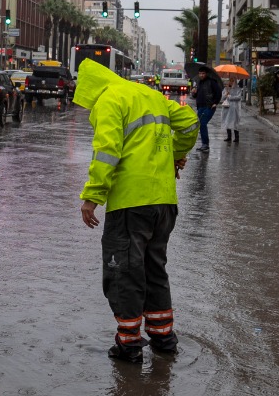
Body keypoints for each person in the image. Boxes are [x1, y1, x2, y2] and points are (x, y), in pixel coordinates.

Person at [75, 59, 199, 364]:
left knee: (124, 272)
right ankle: (163, 338)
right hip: (164, 202)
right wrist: (177, 155)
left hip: (131, 203)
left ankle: (129, 344)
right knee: (154, 268)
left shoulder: (109, 100)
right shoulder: (151, 95)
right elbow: (190, 123)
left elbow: (107, 152)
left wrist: (92, 197)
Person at [189, 63, 223, 150]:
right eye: (200, 73)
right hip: (200, 106)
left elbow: (218, 93)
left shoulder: (212, 82)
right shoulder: (199, 83)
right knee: (199, 124)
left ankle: (205, 144)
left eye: (203, 73)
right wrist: (194, 93)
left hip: (209, 106)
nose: (201, 75)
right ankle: (204, 144)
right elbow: (196, 96)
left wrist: (215, 102)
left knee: (203, 123)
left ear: (206, 74)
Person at [220, 77, 245, 143]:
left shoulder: (238, 89)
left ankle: (236, 137)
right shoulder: (226, 89)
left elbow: (239, 97)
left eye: (232, 81)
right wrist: (226, 94)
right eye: (230, 81)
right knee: (227, 121)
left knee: (235, 122)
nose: (231, 82)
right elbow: (222, 97)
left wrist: (230, 97)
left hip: (234, 108)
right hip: (227, 108)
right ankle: (229, 136)